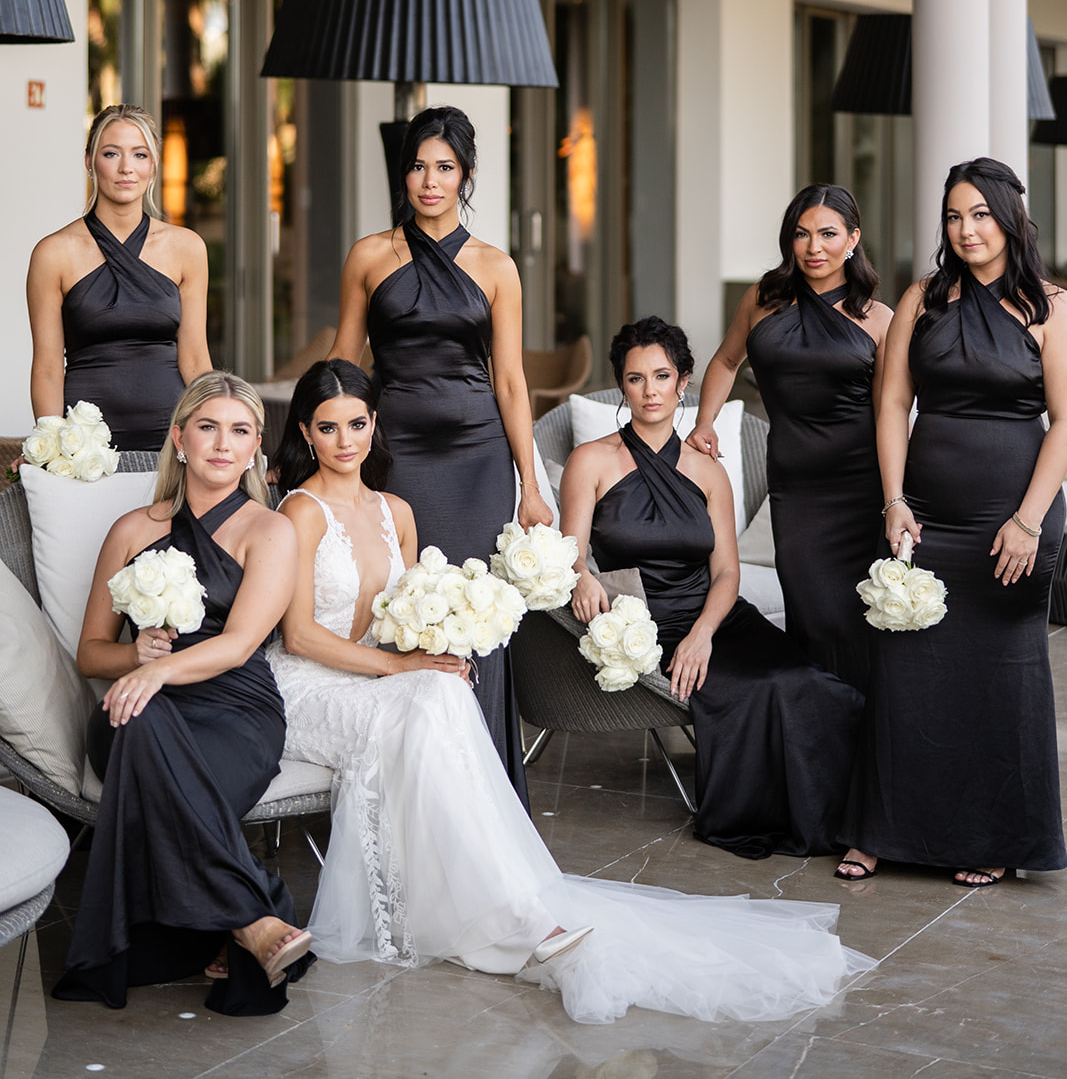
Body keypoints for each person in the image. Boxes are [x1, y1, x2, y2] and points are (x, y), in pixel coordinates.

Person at [267, 358, 874, 1025]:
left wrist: (431, 649)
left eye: (357, 423)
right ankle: (506, 913)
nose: (346, 440)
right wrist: (406, 667)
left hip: (379, 678)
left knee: (443, 696)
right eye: (328, 428)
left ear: (375, 423)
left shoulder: (397, 511)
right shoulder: (299, 513)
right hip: (311, 687)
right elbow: (297, 637)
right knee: (431, 697)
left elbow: (411, 606)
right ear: (306, 432)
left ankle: (510, 907)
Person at [838, 159, 1067, 886]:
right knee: (906, 674)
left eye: (978, 214)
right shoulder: (919, 300)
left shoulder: (1051, 306)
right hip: (925, 518)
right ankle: (885, 831)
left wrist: (1027, 521)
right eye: (951, 216)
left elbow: (1063, 421)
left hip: (1013, 519)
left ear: (1008, 218)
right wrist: (895, 500)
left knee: (1000, 679)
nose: (964, 230)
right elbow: (889, 407)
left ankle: (991, 835)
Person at [53, 373, 311, 1016]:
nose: (224, 444)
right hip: (139, 704)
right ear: (179, 438)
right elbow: (92, 654)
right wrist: (135, 658)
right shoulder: (132, 530)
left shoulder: (270, 531)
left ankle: (215, 925)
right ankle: (252, 919)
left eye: (241, 431)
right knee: (137, 723)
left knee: (142, 723)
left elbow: (242, 641)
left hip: (234, 711)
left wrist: (154, 674)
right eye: (208, 426)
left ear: (256, 449)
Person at [566, 316, 865, 860]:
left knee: (810, 682)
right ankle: (764, 817)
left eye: (662, 376)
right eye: (636, 379)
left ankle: (847, 825)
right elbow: (570, 552)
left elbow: (727, 571)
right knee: (764, 687)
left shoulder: (707, 471)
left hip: (716, 618)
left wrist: (704, 633)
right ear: (621, 384)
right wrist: (582, 575)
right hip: (644, 625)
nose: (650, 391)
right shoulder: (592, 460)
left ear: (684, 382)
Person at [330, 106, 550, 800]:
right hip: (397, 457)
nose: (430, 180)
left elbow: (510, 381)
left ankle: (482, 796)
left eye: (445, 168)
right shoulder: (369, 255)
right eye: (419, 166)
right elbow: (343, 361)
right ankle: (413, 790)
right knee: (402, 606)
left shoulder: (496, 266)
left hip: (479, 459)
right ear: (404, 173)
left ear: (467, 175)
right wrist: (319, 448)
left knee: (476, 615)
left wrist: (530, 483)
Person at [687, 185, 891, 691]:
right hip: (796, 488)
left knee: (857, 620)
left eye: (827, 233)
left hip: (860, 489)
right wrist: (705, 421)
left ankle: (860, 745)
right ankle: (814, 738)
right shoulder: (763, 297)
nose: (813, 247)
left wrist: (897, 499)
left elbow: (891, 413)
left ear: (852, 238)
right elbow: (726, 360)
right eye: (802, 234)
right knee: (811, 614)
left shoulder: (879, 318)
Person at [27, 104, 211, 451]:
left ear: (154, 164)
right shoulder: (53, 253)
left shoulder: (187, 248)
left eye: (139, 155)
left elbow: (196, 360)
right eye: (111, 154)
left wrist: (212, 434)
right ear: (89, 162)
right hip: (84, 442)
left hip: (172, 438)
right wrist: (52, 447)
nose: (126, 168)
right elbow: (48, 368)